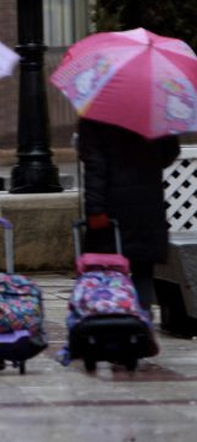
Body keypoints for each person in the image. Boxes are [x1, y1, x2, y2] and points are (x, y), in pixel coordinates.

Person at [78, 117, 180, 315]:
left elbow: (95, 167)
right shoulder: (156, 109)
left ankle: (111, 320)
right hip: (147, 205)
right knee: (143, 271)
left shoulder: (95, 115)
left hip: (109, 208)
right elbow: (168, 154)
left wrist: (95, 209)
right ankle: (142, 321)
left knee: (106, 274)